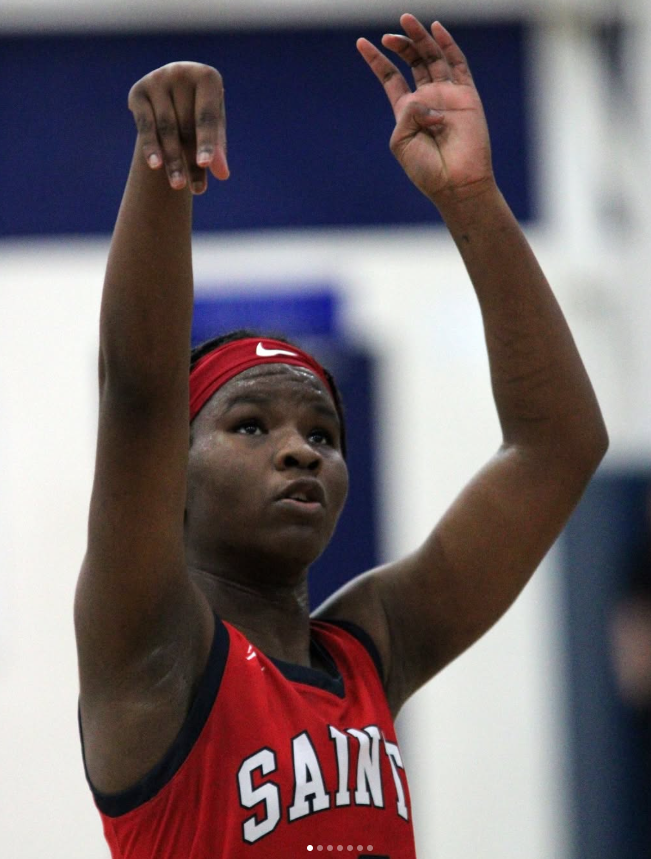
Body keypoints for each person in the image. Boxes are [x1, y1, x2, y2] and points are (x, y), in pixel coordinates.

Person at [75, 14, 608, 859]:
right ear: (171, 475)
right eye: (249, 424)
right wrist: (165, 172)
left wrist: (471, 199)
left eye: (322, 434)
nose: (299, 450)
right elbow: (137, 398)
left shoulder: (370, 647)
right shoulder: (153, 648)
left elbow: (556, 448)